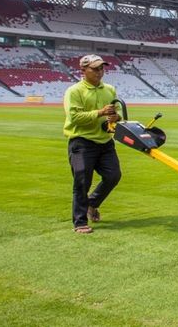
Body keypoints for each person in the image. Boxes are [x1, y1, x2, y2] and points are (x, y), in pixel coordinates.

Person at [63, 54, 121, 234]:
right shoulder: (74, 91)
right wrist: (100, 112)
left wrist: (115, 116)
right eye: (95, 69)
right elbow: (75, 118)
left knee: (113, 176)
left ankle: (92, 203)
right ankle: (80, 222)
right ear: (83, 70)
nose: (99, 72)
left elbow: (119, 112)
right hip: (82, 142)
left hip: (105, 142)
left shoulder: (109, 89)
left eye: (101, 68)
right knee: (82, 182)